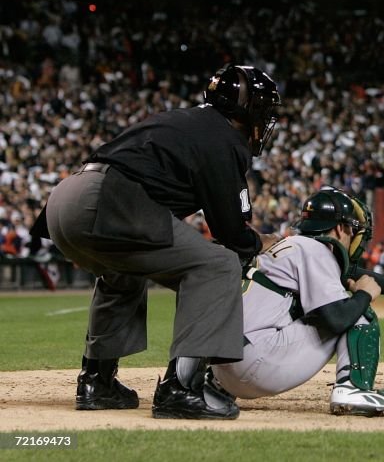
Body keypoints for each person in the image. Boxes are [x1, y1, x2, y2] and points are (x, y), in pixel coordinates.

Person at [38, 64, 282, 419]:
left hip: (64, 200)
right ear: (251, 108)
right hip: (110, 201)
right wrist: (262, 242)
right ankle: (181, 389)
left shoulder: (188, 122)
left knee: (123, 273)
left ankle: (97, 382)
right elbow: (233, 235)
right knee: (217, 266)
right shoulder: (223, 136)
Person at [211, 187, 384, 417]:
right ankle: (352, 389)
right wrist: (364, 295)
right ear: (340, 228)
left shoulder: (287, 246)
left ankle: (212, 386)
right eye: (353, 231)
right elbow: (336, 319)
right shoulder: (317, 250)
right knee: (356, 311)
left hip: (222, 371)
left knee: (307, 307)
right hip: (256, 364)